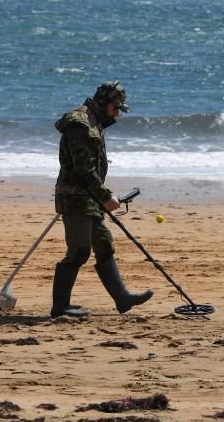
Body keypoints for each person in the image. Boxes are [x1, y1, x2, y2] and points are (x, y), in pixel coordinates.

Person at [51, 81, 153, 318]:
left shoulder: (93, 122)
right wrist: (105, 196)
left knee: (104, 244)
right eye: (115, 107)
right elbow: (83, 168)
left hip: (89, 198)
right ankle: (60, 307)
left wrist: (101, 196)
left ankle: (122, 298)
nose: (116, 113)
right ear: (104, 103)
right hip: (75, 198)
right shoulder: (79, 123)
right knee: (78, 252)